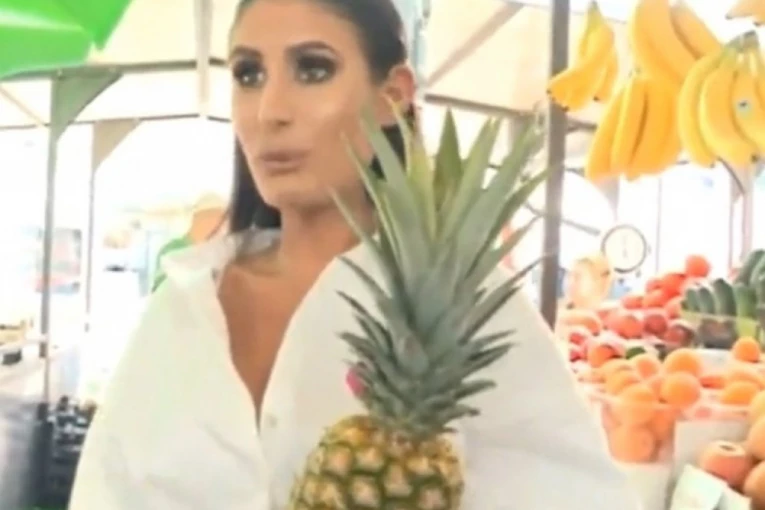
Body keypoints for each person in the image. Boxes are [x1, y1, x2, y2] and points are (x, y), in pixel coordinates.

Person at [69, 0, 639, 508]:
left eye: (313, 69)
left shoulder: (468, 307)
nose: (269, 110)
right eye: (248, 74)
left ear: (392, 96)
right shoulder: (183, 306)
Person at [151, 193, 227, 291]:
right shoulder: (172, 250)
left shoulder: (213, 252)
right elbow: (160, 290)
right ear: (199, 218)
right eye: (219, 219)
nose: (222, 227)